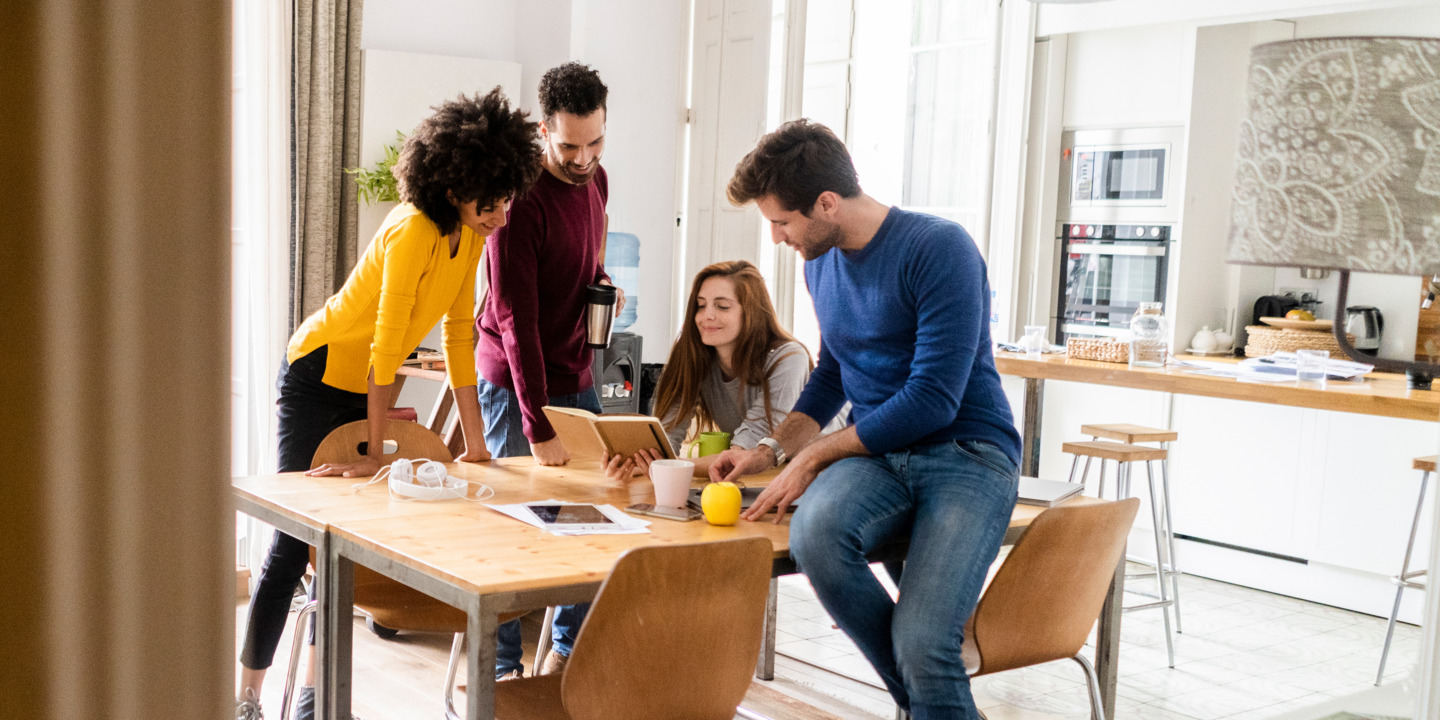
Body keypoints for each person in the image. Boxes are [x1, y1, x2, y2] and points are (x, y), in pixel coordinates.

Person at [235, 88, 542, 720]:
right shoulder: (411, 228)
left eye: (510, 199)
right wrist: (374, 452)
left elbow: (459, 335)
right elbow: (385, 344)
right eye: (495, 200)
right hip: (318, 373)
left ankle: (317, 694)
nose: (503, 216)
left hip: (365, 384)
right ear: (460, 182)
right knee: (295, 540)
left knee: (345, 546)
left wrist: (477, 444)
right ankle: (246, 698)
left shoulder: (471, 237)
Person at [709, 119, 1022, 720]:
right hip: (880, 456)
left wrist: (818, 454)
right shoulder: (820, 261)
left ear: (827, 203)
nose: (776, 237)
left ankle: (931, 688)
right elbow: (834, 372)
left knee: (925, 640)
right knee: (815, 539)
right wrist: (774, 450)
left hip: (968, 454)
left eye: (782, 221)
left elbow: (934, 399)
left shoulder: (939, 248)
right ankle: (935, 701)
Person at [474, 62, 621, 679]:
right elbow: (514, 321)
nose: (584, 158)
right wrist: (537, 427)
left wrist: (602, 285)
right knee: (515, 532)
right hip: (516, 386)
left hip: (574, 373)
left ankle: (564, 657)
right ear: (543, 131)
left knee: (588, 527)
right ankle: (502, 672)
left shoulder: (598, 181)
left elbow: (592, 256)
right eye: (569, 146)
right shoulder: (519, 201)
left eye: (595, 142)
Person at [606, 260, 811, 481]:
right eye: (701, 305)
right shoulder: (695, 355)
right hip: (767, 473)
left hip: (816, 466)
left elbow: (741, 455)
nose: (706, 316)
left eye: (722, 306)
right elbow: (666, 437)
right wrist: (635, 461)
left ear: (752, 313)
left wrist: (668, 466)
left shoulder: (788, 357)